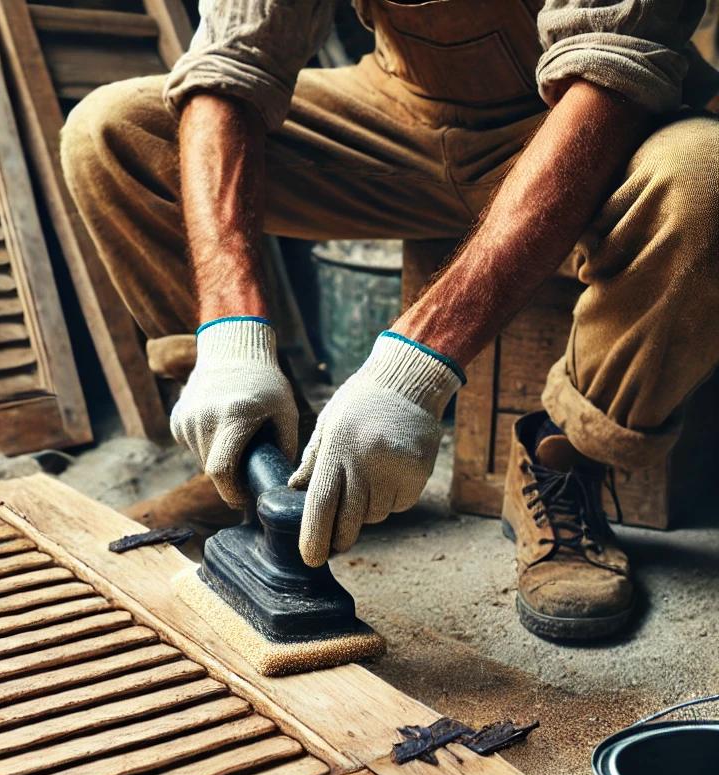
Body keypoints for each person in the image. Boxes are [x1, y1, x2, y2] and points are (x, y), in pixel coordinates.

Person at [61, 0, 719, 641]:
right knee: (113, 131)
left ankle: (562, 462)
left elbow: (611, 73)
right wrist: (230, 338)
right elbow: (232, 57)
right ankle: (258, 456)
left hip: (590, 118)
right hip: (400, 119)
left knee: (704, 179)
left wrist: (409, 374)